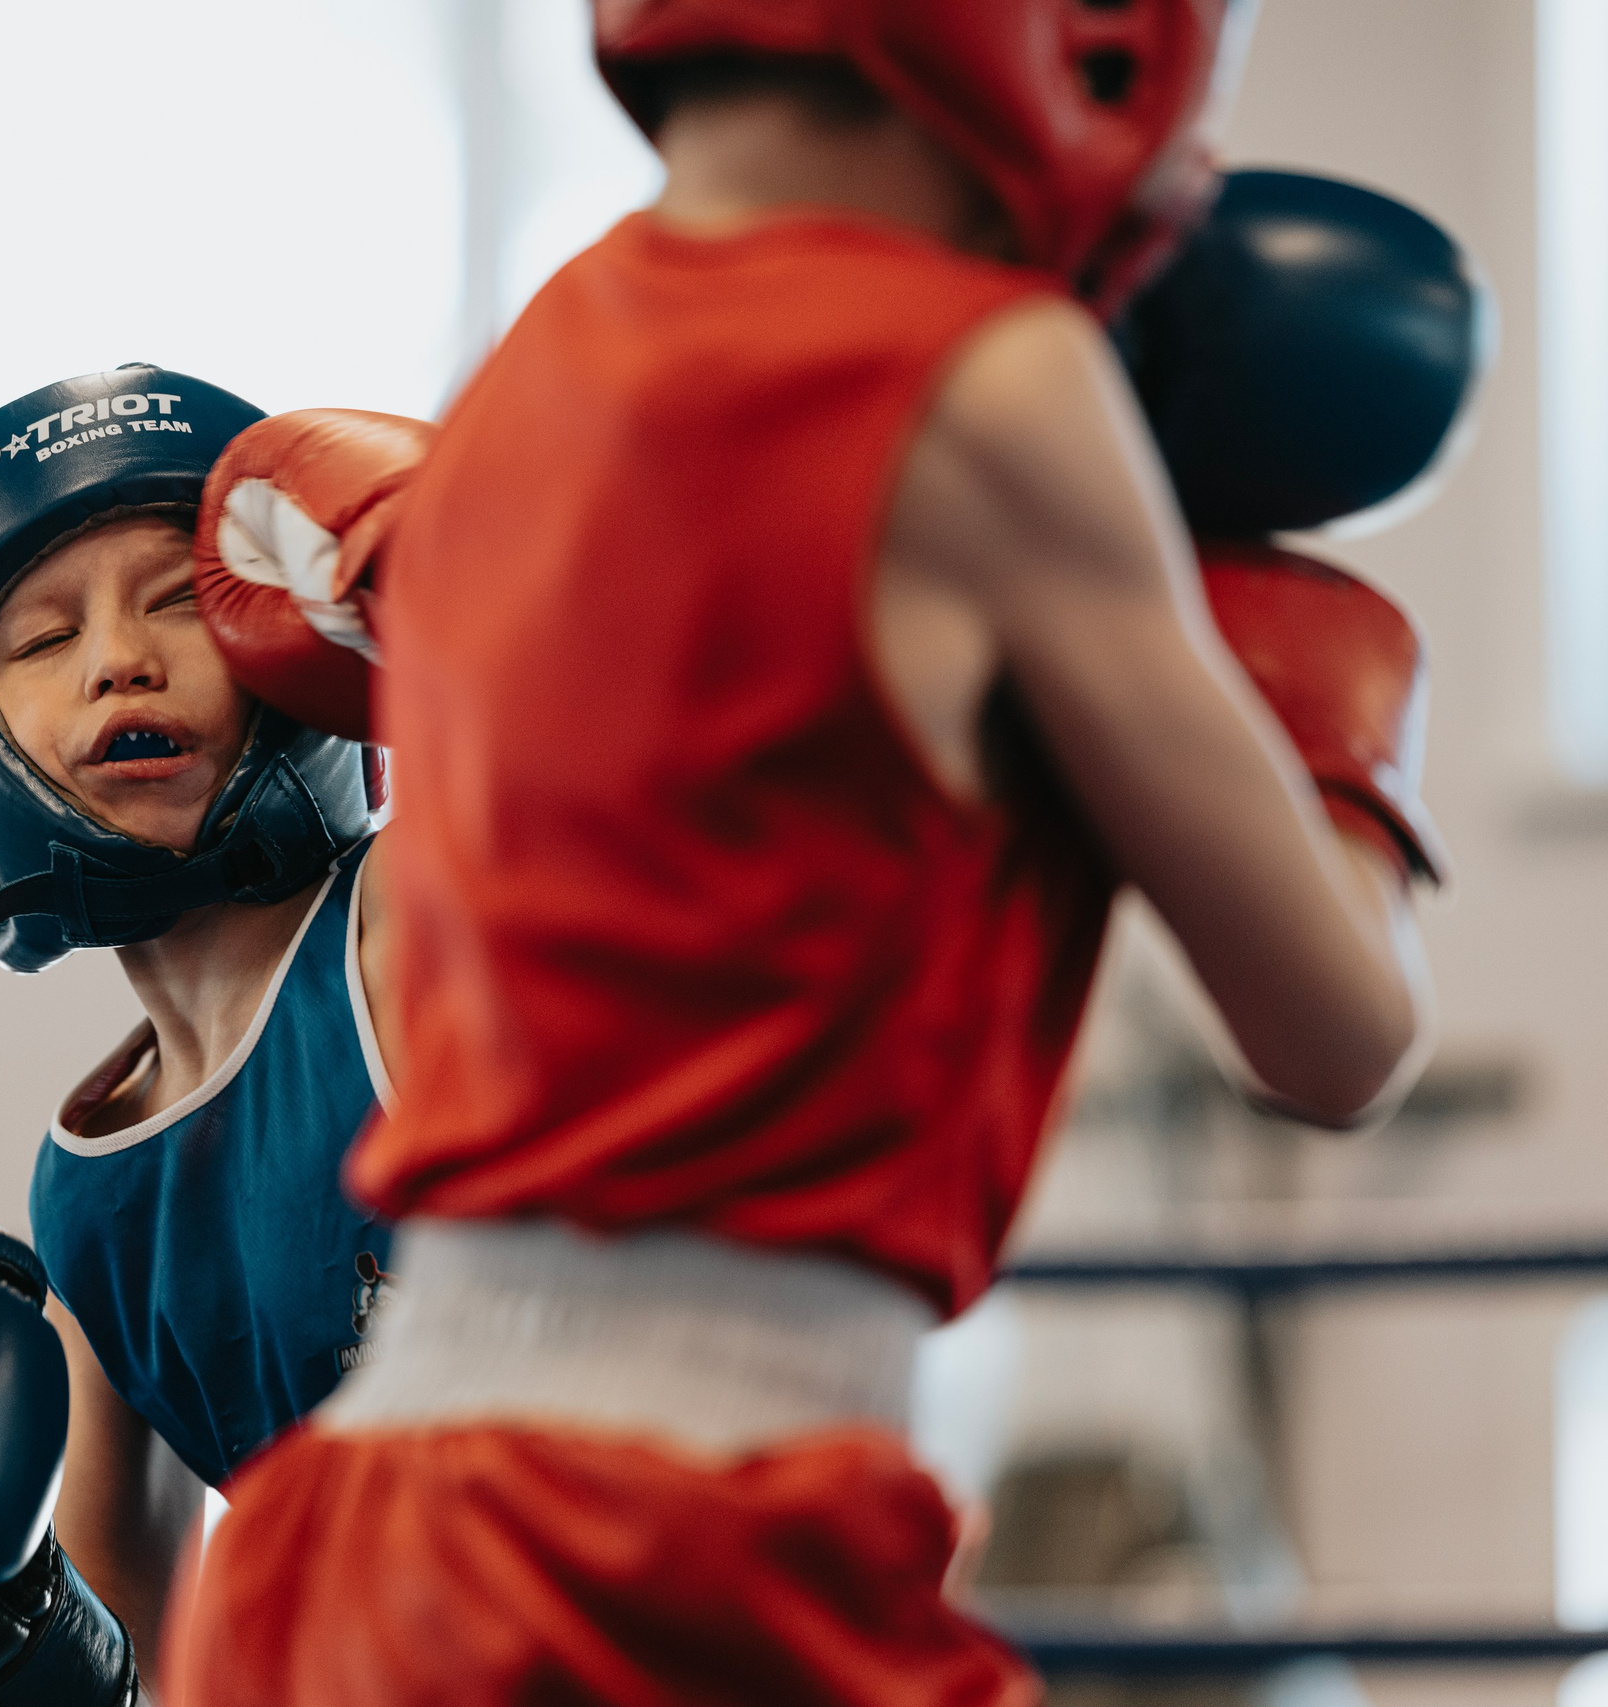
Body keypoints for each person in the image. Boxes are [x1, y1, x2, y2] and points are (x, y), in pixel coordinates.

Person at [164, 5, 1459, 1703]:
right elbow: (1339, 1039)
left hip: (345, 1542)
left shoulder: (526, 366)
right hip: (670, 1541)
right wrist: (1328, 762)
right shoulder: (992, 375)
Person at [0, 365, 432, 1704]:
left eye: (180, 602)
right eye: (43, 641)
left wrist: (484, 591)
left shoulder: (422, 915)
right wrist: (10, 1652)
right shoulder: (94, 1197)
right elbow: (140, 1671)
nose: (119, 657)